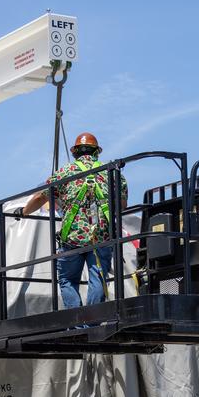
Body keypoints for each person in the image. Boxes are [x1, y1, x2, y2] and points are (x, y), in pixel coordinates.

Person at [22, 131, 128, 309]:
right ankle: (93, 321)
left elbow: (41, 197)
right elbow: (122, 205)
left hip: (73, 237)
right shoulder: (113, 174)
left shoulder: (64, 173)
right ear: (97, 152)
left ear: (75, 153)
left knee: (67, 280)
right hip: (101, 235)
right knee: (99, 279)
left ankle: (77, 321)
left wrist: (24, 211)